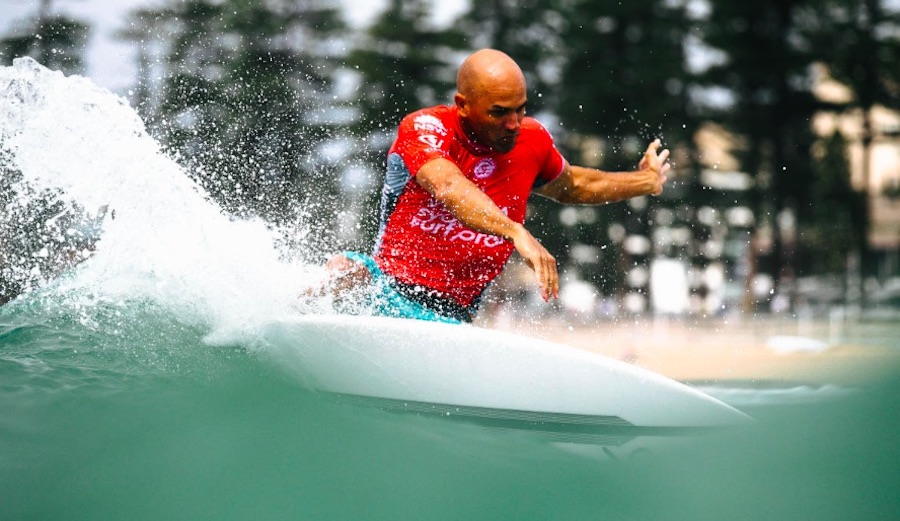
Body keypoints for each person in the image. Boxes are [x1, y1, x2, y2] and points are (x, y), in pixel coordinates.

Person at [312, 48, 670, 323]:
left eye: (521, 109)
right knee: (344, 271)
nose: (514, 123)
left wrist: (646, 180)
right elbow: (449, 186)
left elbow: (575, 184)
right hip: (383, 291)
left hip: (452, 317)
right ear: (463, 105)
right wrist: (515, 232)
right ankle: (280, 327)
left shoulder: (531, 142)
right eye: (500, 112)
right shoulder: (424, 129)